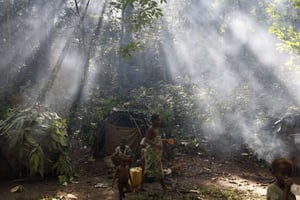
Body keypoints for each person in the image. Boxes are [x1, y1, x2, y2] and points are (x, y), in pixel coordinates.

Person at [140, 114, 167, 192]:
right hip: (152, 153)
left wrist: (164, 141)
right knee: (157, 169)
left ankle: (140, 186)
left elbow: (155, 139)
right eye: (158, 120)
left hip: (156, 153)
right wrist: (155, 145)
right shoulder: (151, 129)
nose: (160, 121)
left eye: (160, 120)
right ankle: (164, 188)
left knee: (148, 168)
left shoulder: (156, 129)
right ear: (154, 120)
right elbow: (146, 140)